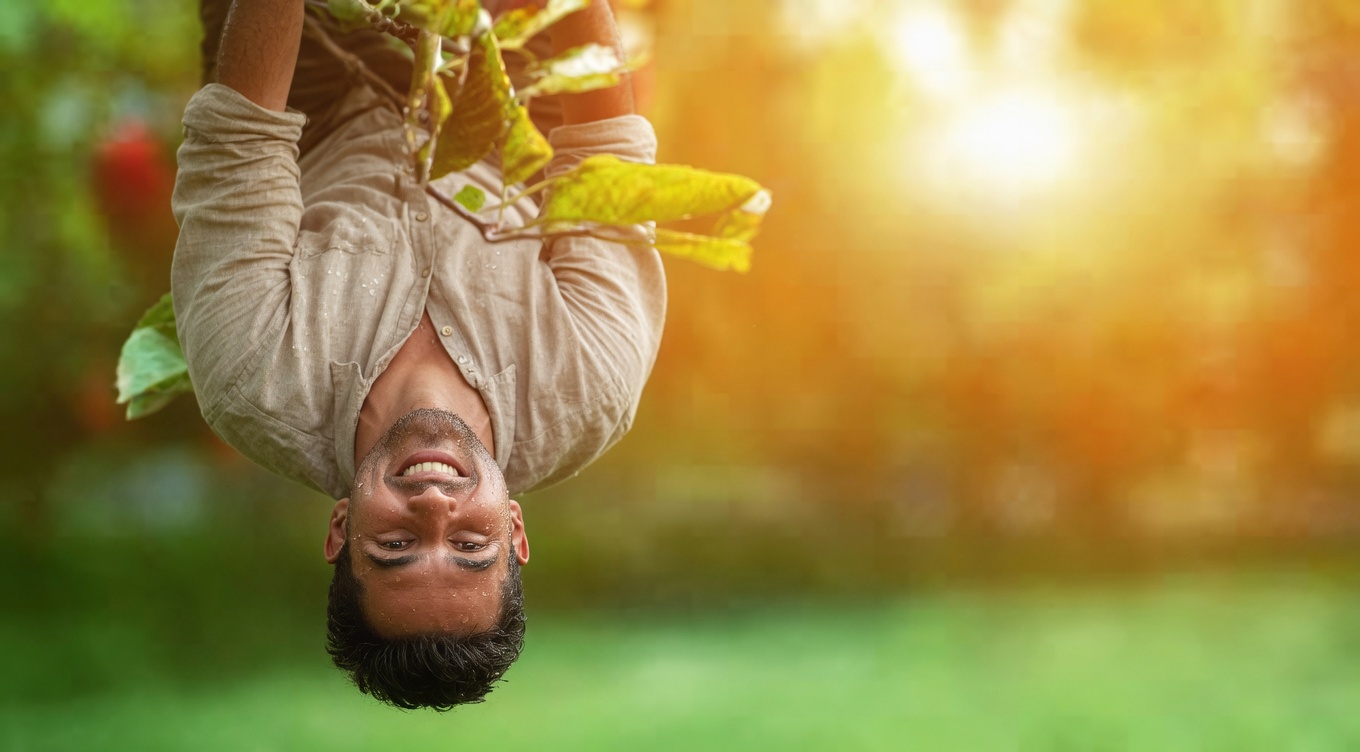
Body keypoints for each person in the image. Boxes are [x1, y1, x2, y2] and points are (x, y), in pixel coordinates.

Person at [173, 0, 664, 710]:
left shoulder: (253, 379)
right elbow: (601, 147)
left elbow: (242, 137)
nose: (434, 506)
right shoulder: (589, 384)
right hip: (511, 87)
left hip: (310, 90)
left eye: (395, 546)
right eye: (470, 545)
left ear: (342, 528)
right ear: (515, 529)